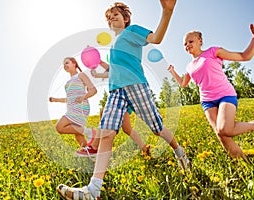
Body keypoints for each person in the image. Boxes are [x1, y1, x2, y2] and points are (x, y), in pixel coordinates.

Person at [56, 1, 191, 199]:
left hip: (135, 85)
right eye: (109, 18)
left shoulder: (132, 32)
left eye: (115, 16)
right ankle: (93, 190)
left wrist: (167, 12)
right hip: (116, 92)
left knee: (157, 128)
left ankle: (180, 154)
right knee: (107, 133)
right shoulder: (114, 46)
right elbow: (114, 71)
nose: (111, 19)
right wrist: (100, 67)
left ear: (125, 19)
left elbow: (156, 38)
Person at [167, 24, 254, 160]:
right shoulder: (189, 66)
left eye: (191, 41)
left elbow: (245, 56)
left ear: (200, 41)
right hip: (207, 101)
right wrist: (173, 72)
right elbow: (183, 84)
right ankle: (242, 163)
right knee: (221, 135)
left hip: (225, 94)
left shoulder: (213, 51)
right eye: (185, 44)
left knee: (225, 129)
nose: (187, 45)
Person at [76, 60, 151, 157]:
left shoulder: (128, 63)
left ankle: (95, 147)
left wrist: (97, 75)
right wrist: (97, 62)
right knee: (127, 128)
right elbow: (109, 68)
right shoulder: (121, 62)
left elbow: (113, 72)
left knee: (105, 114)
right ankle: (145, 149)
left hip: (125, 95)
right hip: (126, 96)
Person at [49, 57, 97, 154]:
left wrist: (83, 97)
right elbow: (70, 99)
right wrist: (55, 100)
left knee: (59, 127)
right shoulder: (68, 83)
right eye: (64, 64)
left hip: (80, 107)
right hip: (72, 107)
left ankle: (90, 132)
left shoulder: (81, 75)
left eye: (67, 62)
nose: (65, 65)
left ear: (74, 63)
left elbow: (93, 90)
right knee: (77, 134)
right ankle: (89, 153)